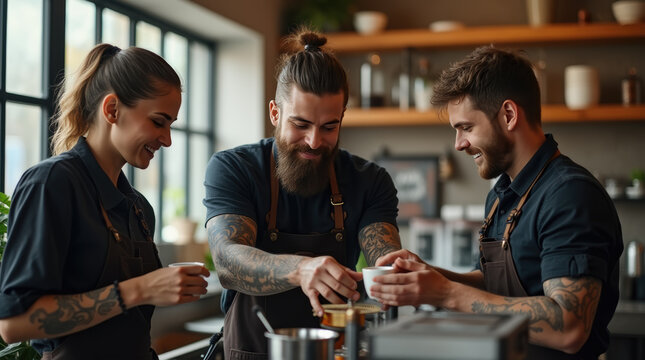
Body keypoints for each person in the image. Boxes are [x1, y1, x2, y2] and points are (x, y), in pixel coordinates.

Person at [370, 46, 623, 359]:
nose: (459, 143)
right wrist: (428, 277)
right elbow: (490, 284)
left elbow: (569, 325)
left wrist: (445, 293)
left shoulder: (570, 196)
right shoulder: (501, 194)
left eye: (466, 127)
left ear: (508, 115)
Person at [0, 43, 209, 360]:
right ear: (112, 110)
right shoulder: (52, 183)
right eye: (158, 121)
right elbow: (14, 324)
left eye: (170, 125)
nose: (167, 139)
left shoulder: (139, 208)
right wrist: (142, 289)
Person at [204, 28, 402, 358]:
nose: (313, 141)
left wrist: (397, 272)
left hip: (333, 351)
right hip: (249, 350)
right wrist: (300, 269)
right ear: (275, 113)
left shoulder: (369, 181)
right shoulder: (235, 168)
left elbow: (384, 262)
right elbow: (227, 261)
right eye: (301, 124)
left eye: (329, 127)